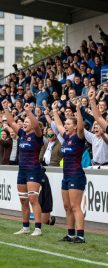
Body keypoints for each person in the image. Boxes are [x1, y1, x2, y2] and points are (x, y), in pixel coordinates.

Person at [2, 99, 43, 236]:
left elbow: (36, 124)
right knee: (23, 200)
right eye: (24, 122)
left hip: (33, 170)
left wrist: (28, 112)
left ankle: (38, 228)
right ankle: (25, 227)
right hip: (22, 171)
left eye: (27, 122)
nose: (24, 124)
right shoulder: (22, 134)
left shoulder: (37, 136)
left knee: (33, 199)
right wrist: (6, 108)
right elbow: (12, 122)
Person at [52, 100, 86, 243]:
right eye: (66, 124)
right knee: (67, 207)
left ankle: (81, 236)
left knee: (75, 206)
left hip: (76, 175)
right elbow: (58, 125)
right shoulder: (66, 137)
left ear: (75, 126)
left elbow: (81, 126)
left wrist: (78, 109)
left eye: (68, 124)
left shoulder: (78, 137)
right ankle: (70, 234)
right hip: (66, 176)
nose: (65, 126)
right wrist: (54, 110)